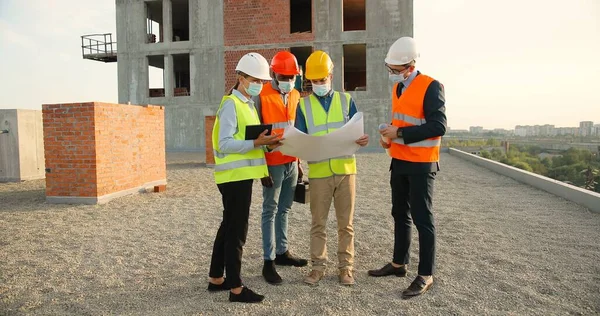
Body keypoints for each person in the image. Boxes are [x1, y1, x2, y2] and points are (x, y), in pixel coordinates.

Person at [368, 36, 447, 298]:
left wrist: (399, 132)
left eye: (395, 70)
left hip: (422, 165)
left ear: (409, 66)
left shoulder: (431, 86)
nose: (391, 74)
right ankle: (398, 263)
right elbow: (400, 121)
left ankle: (425, 275)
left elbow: (438, 126)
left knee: (423, 220)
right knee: (399, 213)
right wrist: (388, 137)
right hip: (399, 161)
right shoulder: (398, 88)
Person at [207, 52, 282, 303]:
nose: (259, 84)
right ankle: (236, 288)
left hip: (239, 177)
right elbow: (224, 143)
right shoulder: (231, 104)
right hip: (234, 178)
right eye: (255, 79)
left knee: (227, 226)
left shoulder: (247, 104)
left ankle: (216, 278)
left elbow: (250, 143)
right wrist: (256, 142)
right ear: (240, 77)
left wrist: (266, 144)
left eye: (262, 80)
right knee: (237, 232)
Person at [295, 50, 369, 286]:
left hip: (346, 170)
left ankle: (346, 269)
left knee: (345, 224)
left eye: (322, 79)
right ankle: (317, 268)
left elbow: (357, 131)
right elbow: (300, 138)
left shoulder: (346, 101)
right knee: (318, 223)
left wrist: (361, 140)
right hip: (319, 174)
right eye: (314, 81)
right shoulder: (303, 105)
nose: (319, 84)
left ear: (331, 75)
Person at [252, 51, 308, 285]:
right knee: (270, 210)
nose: (289, 80)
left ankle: (282, 252)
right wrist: (261, 168)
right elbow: (255, 135)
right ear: (274, 74)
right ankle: (268, 261)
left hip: (292, 161)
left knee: (284, 209)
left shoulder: (295, 94)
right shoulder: (261, 95)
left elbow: (296, 129)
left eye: (292, 76)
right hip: (272, 164)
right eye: (284, 76)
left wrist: (299, 162)